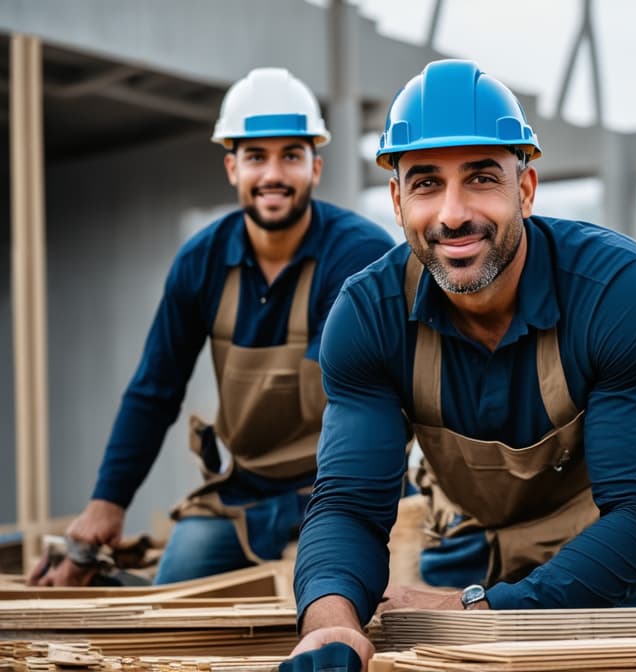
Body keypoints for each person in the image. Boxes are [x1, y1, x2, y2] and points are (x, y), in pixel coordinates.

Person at [290, 59, 636, 665]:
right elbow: (349, 503)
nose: (454, 213)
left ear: (525, 190)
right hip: (468, 550)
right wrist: (329, 622)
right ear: (398, 200)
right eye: (427, 183)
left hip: (612, 563)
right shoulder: (368, 315)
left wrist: (479, 613)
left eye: (481, 179)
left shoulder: (616, 293)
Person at [29, 67, 395, 587]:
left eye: (290, 155)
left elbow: (351, 397)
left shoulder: (359, 254)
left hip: (347, 487)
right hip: (247, 493)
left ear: (315, 167)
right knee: (170, 601)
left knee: (362, 602)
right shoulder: (200, 263)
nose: (273, 174)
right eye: (255, 157)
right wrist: (107, 504)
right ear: (231, 168)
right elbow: (154, 391)